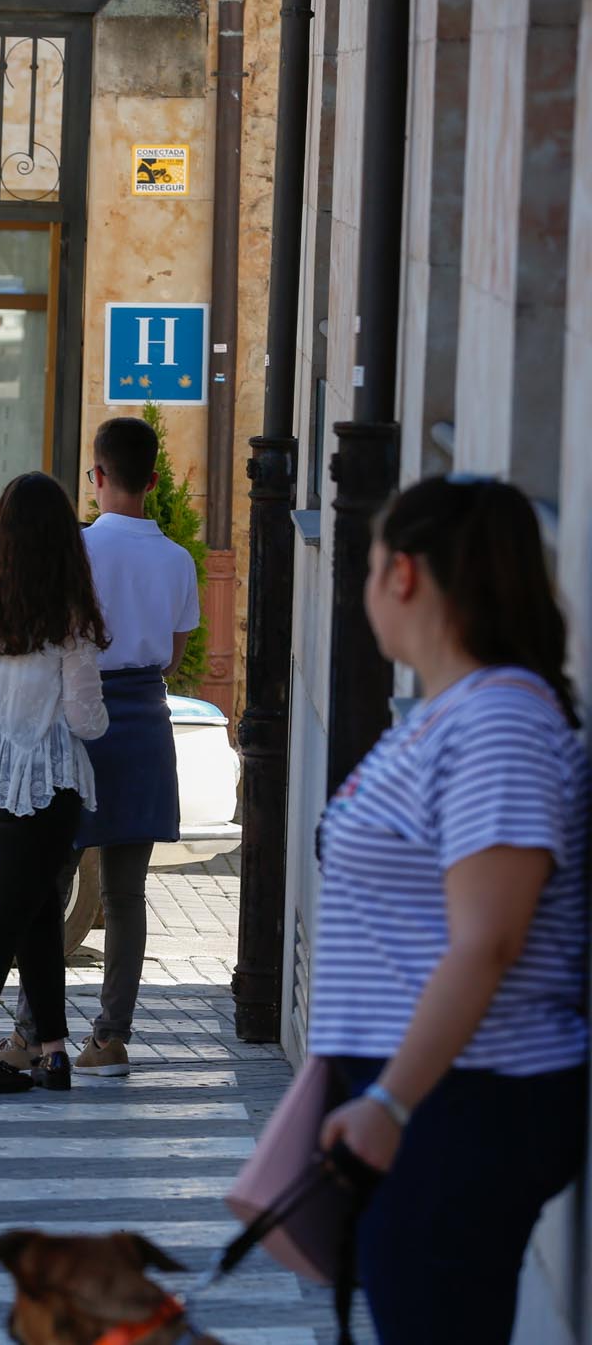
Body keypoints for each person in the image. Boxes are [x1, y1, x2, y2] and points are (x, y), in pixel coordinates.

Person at [308, 477, 587, 1343]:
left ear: (404, 574)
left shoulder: (498, 722)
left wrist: (390, 1102)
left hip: (464, 1101)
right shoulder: (454, 713)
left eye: (370, 561)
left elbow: (488, 941)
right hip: (437, 1096)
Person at [0, 417, 199, 1078]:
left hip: (75, 719)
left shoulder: (76, 551)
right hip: (143, 722)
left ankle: (29, 1034)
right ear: (155, 480)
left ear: (98, 476)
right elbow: (172, 655)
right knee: (125, 894)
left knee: (47, 883)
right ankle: (110, 1038)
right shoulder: (179, 560)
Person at [0, 472, 108, 1097]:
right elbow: (88, 720)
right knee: (6, 916)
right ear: (65, 540)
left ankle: (53, 1049)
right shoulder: (69, 618)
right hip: (41, 782)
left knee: (34, 912)